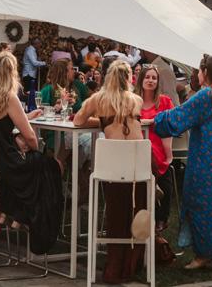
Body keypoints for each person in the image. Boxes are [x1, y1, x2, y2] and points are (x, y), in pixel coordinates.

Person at [0, 52, 63, 255]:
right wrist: (34, 149)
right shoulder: (8, 97)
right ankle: (24, 217)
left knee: (35, 166)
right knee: (50, 165)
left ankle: (15, 213)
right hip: (5, 164)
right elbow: (31, 137)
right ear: (13, 73)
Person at [153, 55, 212, 270]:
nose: (197, 75)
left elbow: (180, 115)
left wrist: (156, 120)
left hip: (206, 157)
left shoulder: (206, 95)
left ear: (206, 72)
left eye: (199, 71)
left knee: (199, 202)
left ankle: (203, 255)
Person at [74, 60, 144, 284]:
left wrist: (101, 121)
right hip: (139, 168)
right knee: (133, 207)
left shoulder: (98, 99)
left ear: (108, 78)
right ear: (128, 79)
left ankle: (114, 263)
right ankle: (133, 261)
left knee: (116, 209)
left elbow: (78, 121)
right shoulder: (136, 100)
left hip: (113, 170)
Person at [135, 65, 174, 232]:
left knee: (159, 164)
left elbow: (173, 121)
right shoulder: (133, 101)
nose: (150, 80)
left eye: (154, 78)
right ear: (141, 80)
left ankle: (160, 218)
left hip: (159, 147)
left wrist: (153, 121)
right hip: (137, 148)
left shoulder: (164, 101)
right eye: (147, 77)